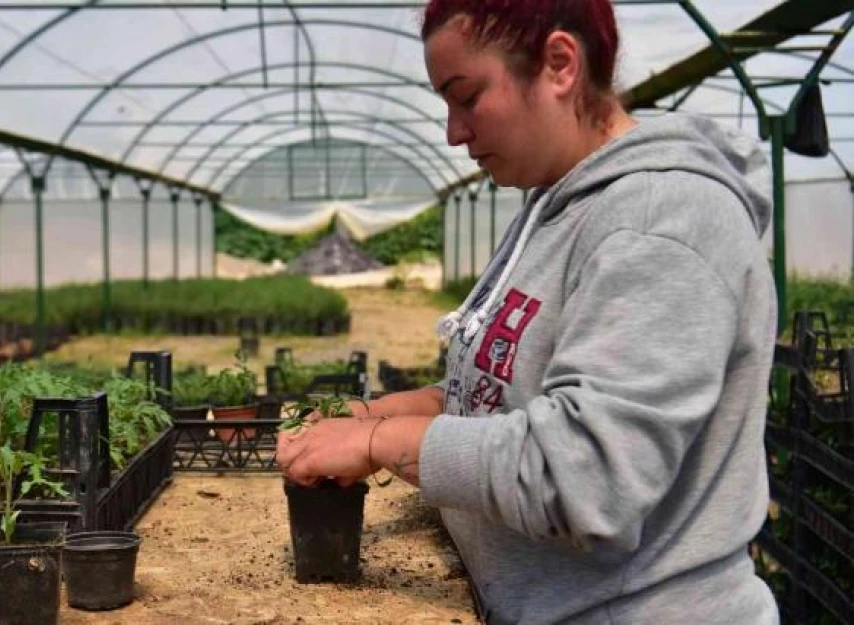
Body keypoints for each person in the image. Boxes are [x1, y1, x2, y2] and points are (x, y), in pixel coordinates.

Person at [275, 1, 780, 623]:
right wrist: (371, 416)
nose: (453, 132)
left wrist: (381, 441)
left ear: (560, 64)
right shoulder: (552, 203)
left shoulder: (659, 222)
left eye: (466, 96)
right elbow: (502, 399)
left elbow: (589, 479)